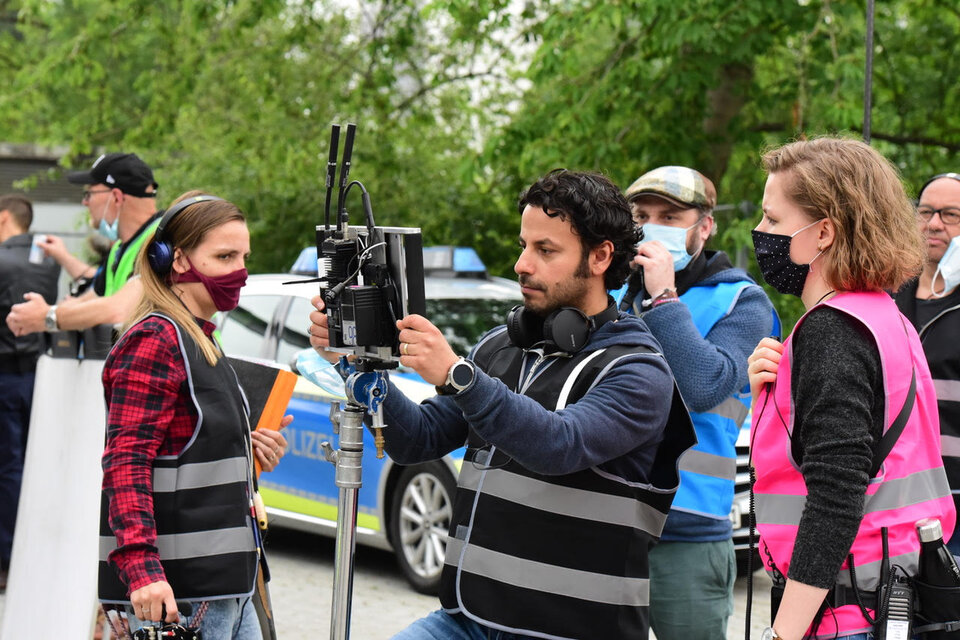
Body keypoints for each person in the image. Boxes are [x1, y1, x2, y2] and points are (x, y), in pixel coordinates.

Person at [309, 169, 695, 640]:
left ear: (600, 257)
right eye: (523, 245)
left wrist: (457, 375)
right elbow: (419, 440)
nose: (522, 264)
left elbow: (559, 446)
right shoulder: (500, 346)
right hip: (466, 621)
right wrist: (358, 365)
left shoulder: (638, 368)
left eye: (545, 250)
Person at [747, 137, 955, 640]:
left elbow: (837, 496)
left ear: (823, 233)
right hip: (889, 593)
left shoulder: (831, 330)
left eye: (774, 220)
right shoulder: (885, 315)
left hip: (843, 611)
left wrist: (784, 633)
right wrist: (768, 398)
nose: (760, 232)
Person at [98, 192, 291, 639]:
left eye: (243, 256)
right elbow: (125, 465)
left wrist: (250, 450)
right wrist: (142, 570)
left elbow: (189, 455)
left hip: (230, 587)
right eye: (224, 256)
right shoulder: (155, 341)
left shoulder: (200, 340)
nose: (239, 270)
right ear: (177, 259)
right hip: (180, 596)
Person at [614, 166, 776, 640]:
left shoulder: (743, 302)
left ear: (704, 226)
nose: (652, 225)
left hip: (686, 527)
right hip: (607, 517)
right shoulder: (612, 292)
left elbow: (707, 386)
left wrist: (664, 296)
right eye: (642, 214)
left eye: (670, 215)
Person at [5, 152, 161, 336]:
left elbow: (119, 308)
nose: (84, 202)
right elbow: (94, 298)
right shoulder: (120, 248)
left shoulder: (162, 240)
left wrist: (48, 316)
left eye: (89, 194)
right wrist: (41, 312)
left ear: (117, 197)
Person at [894, 173, 960, 553]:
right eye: (926, 212)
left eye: (950, 215)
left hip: (954, 495)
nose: (934, 224)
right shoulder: (887, 292)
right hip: (894, 495)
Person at [0, 194, 60, 591]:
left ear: (5, 218)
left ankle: (6, 559)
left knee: (6, 467)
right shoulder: (49, 260)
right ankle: (33, 554)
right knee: (32, 465)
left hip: (3, 375)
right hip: (39, 375)